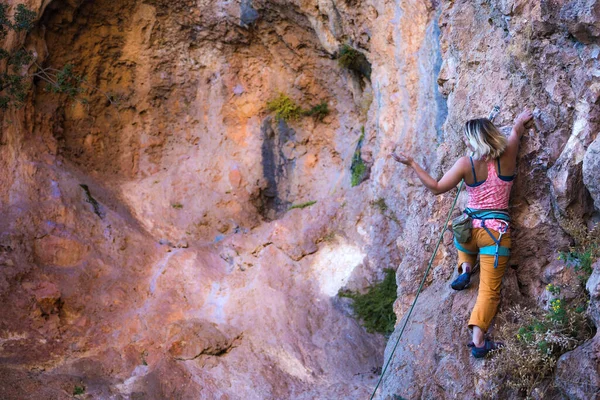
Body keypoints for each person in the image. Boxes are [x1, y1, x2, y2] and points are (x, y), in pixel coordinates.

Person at [390, 109, 533, 358]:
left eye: (467, 139)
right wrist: (520, 121)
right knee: (489, 290)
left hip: (467, 231)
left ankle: (465, 268)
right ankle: (478, 342)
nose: (465, 142)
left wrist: (412, 163)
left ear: (475, 141)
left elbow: (436, 188)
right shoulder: (509, 152)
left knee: (464, 241)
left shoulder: (466, 164)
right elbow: (516, 130)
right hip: (496, 235)